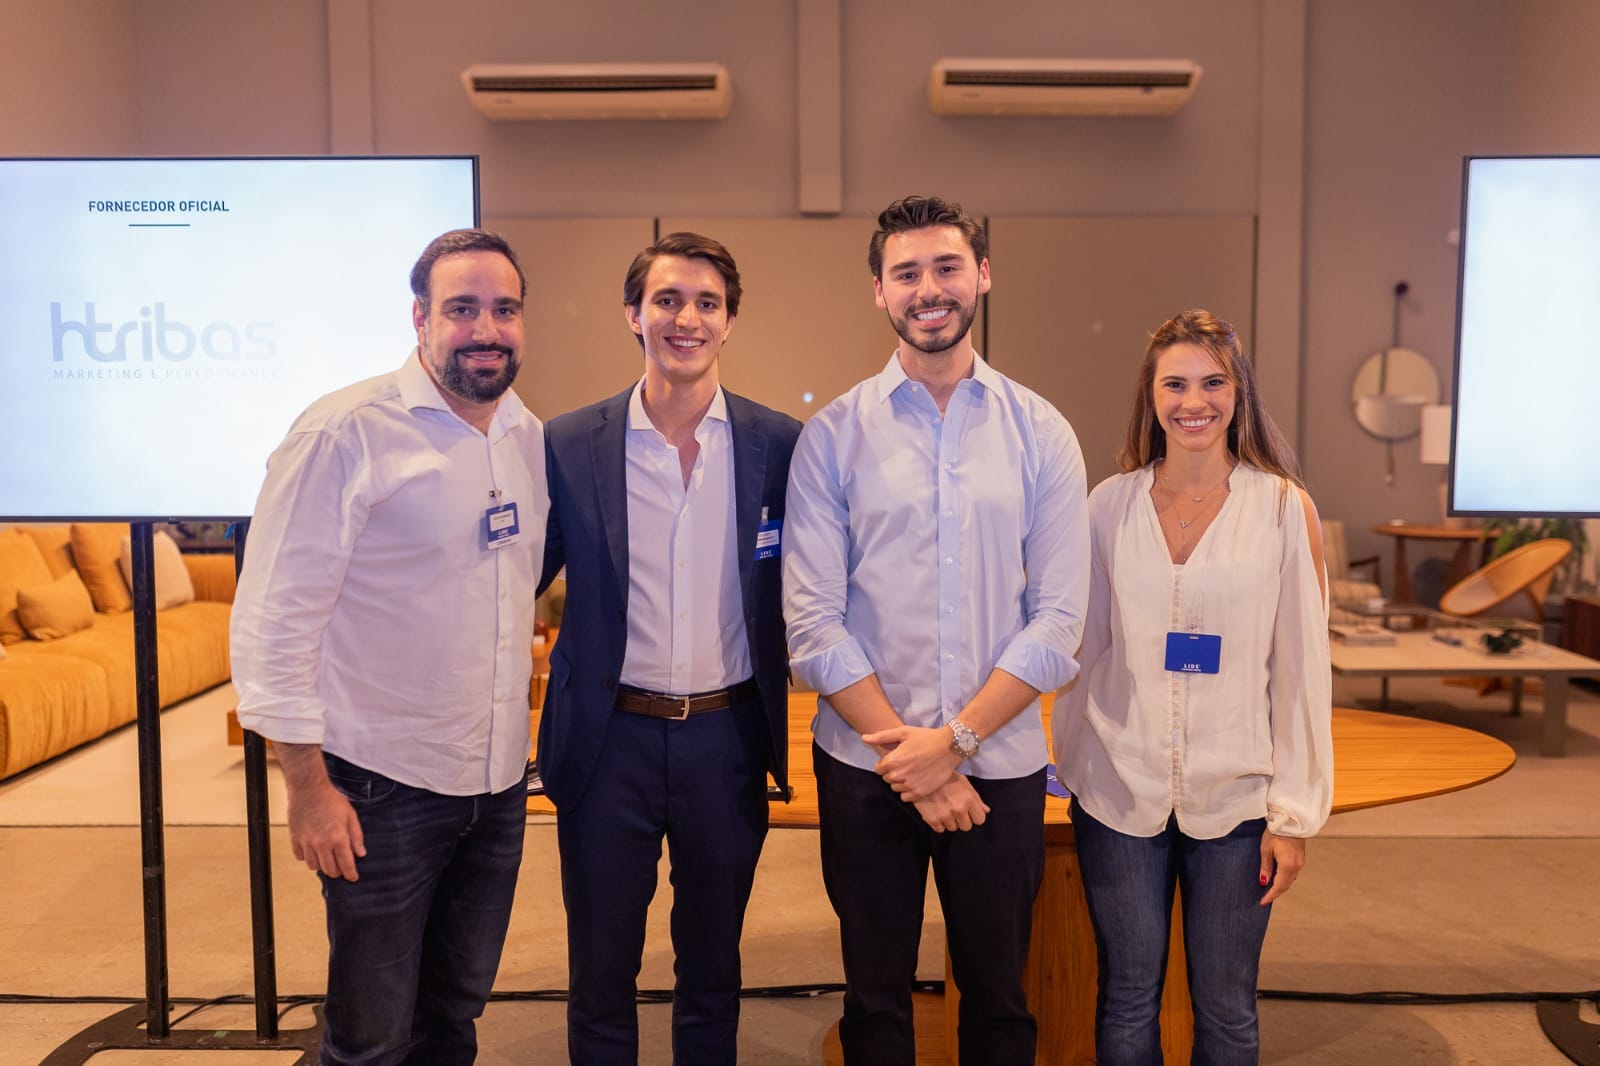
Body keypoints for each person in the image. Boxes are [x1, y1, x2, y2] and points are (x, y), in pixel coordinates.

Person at [784, 195, 1089, 1065]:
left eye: (947, 267)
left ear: (983, 276)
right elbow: (812, 623)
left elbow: (1060, 620)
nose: (930, 289)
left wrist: (953, 743)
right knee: (874, 1002)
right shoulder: (834, 435)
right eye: (907, 273)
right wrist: (912, 761)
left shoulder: (1041, 431)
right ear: (878, 292)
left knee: (1000, 1000)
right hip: (865, 766)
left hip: (1000, 767)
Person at [230, 228, 547, 1065]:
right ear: (420, 319)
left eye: (504, 309)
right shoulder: (343, 433)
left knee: (455, 1015)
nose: (487, 327)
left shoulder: (524, 435)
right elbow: (274, 617)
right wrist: (305, 785)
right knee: (370, 1032)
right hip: (379, 789)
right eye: (462, 308)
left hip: (497, 784)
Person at [537, 232, 801, 1065]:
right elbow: (507, 578)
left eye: (707, 304)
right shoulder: (569, 442)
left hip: (724, 742)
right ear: (634, 314)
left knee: (713, 971)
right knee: (601, 974)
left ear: (729, 323)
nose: (686, 318)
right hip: (604, 740)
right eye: (667, 300)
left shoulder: (782, 446)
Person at [1055, 309, 1333, 1065]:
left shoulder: (1283, 508)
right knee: (1126, 999)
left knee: (1227, 1008)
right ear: (1151, 396)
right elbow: (1081, 648)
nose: (1194, 401)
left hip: (1239, 800)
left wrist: (1296, 814)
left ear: (1239, 393)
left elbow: (1305, 672)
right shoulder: (1107, 506)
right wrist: (1063, 763)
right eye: (1175, 384)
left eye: (1213, 382)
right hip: (1119, 787)